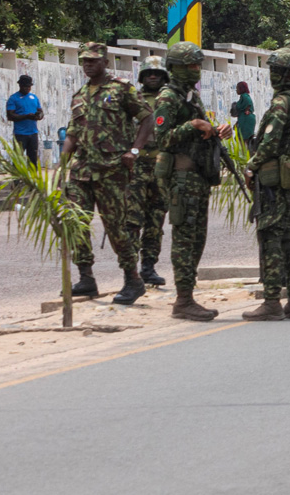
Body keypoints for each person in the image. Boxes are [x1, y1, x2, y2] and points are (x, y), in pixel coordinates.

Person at [62, 44, 151, 306]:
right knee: (75, 222)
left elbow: (146, 118)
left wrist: (134, 150)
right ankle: (86, 277)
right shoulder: (79, 95)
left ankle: (133, 280)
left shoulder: (121, 88)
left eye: (93, 60)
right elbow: (73, 133)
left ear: (105, 61)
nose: (88, 65)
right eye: (84, 61)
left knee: (117, 229)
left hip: (112, 170)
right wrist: (61, 165)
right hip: (81, 171)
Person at [149, 43, 224, 321]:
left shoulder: (191, 96)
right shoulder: (168, 98)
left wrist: (216, 130)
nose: (196, 70)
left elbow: (200, 130)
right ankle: (183, 300)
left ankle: (188, 296)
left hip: (197, 177)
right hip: (180, 178)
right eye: (191, 65)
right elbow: (163, 139)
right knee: (184, 238)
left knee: (197, 238)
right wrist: (192, 125)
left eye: (197, 65)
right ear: (177, 68)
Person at [241, 49, 290, 322]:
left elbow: (270, 143)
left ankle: (272, 300)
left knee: (270, 236)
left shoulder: (283, 103)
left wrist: (252, 166)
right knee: (289, 237)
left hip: (276, 178)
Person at [130, 61, 171, 288]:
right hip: (137, 165)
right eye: (149, 73)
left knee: (155, 220)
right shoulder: (133, 100)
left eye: (157, 73)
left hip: (161, 165)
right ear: (143, 76)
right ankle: (130, 270)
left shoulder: (170, 100)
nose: (153, 77)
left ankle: (149, 267)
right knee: (132, 220)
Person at [6, 75, 43, 166]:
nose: (27, 88)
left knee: (33, 158)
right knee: (18, 159)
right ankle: (17, 179)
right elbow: (10, 116)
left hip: (33, 133)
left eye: (29, 87)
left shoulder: (34, 97)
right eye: (25, 86)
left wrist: (39, 116)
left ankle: (33, 179)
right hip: (20, 134)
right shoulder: (14, 98)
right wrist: (26, 116)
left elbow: (40, 111)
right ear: (20, 86)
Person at [231, 80, 258, 148]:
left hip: (246, 120)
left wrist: (247, 109)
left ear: (241, 89)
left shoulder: (244, 96)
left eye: (237, 88)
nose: (236, 90)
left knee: (242, 140)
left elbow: (248, 103)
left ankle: (245, 156)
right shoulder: (244, 96)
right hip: (246, 119)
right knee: (243, 140)